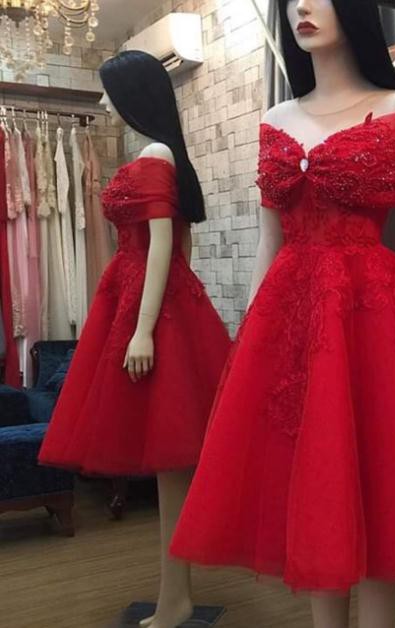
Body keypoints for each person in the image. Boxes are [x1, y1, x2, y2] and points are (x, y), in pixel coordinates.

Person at [171, 2, 395, 627]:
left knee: (379, 489)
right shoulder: (275, 120)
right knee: (315, 488)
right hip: (292, 324)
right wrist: (248, 346)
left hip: (371, 319)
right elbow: (269, 241)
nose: (302, 6)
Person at [38, 50, 232, 628]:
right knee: (170, 463)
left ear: (133, 94)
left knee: (173, 460)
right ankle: (175, 593)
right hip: (140, 299)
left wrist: (145, 328)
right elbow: (176, 243)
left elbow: (165, 245)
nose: (103, 101)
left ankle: (177, 597)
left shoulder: (155, 154)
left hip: (148, 308)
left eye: (109, 90)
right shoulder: (164, 154)